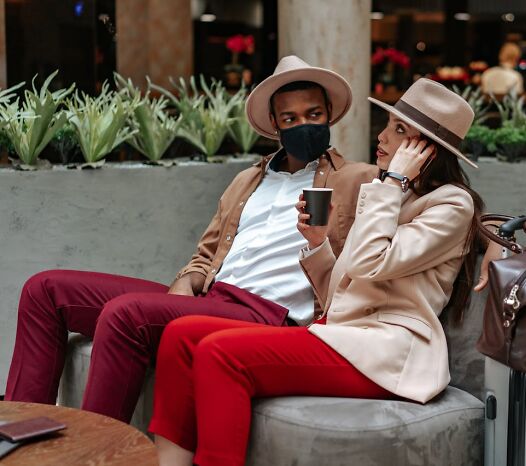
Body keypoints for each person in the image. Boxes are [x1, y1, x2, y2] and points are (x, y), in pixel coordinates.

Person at [4, 55, 377, 423]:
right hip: (215, 298)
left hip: (268, 316)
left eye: (314, 115)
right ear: (275, 126)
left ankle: (97, 453)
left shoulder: (359, 179)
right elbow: (205, 255)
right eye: (290, 118)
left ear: (330, 114)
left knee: (126, 315)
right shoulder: (247, 181)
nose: (304, 126)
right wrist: (187, 279)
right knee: (45, 291)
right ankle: (20, 436)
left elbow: (420, 196)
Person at [148, 78, 487, 466]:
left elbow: (370, 262)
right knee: (180, 335)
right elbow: (339, 294)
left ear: (425, 150)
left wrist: (393, 183)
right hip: (343, 333)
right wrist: (318, 242)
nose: (381, 136)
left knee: (221, 354)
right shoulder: (393, 194)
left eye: (398, 131)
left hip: (387, 351)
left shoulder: (448, 204)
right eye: (388, 123)